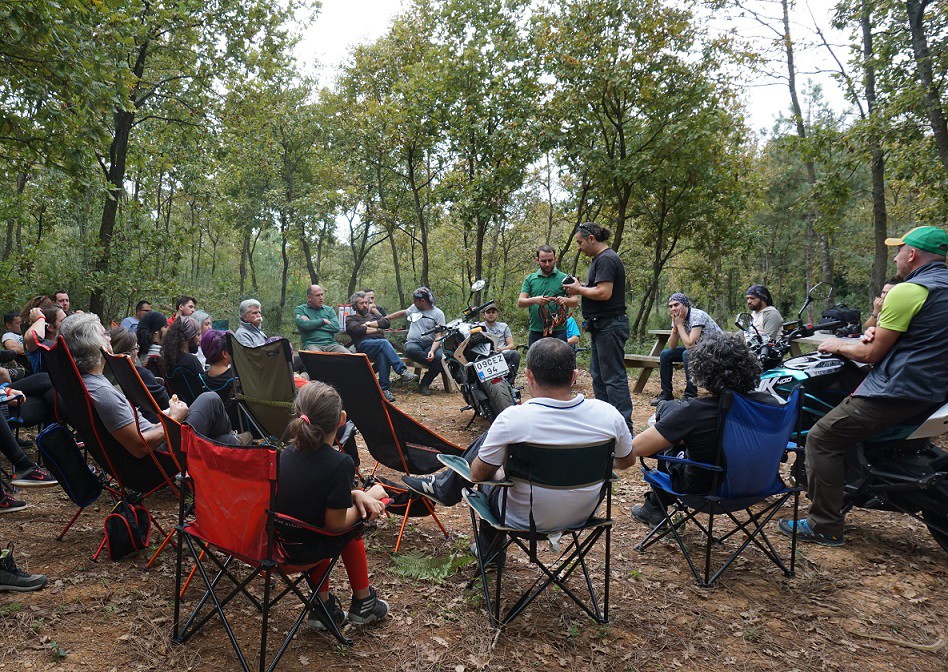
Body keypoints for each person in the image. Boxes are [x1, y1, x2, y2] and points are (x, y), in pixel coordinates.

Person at [779, 225, 948, 547]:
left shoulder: (909, 290)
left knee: (822, 438)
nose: (896, 257)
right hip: (934, 391)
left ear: (912, 255)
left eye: (899, 250)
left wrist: (837, 345)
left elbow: (870, 353)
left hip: (897, 390)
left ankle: (823, 525)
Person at [401, 339, 634, 542]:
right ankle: (442, 487)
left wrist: (503, 469)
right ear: (574, 377)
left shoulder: (513, 418)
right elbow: (625, 461)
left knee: (488, 468)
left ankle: (488, 551)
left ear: (529, 376)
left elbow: (477, 475)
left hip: (521, 519)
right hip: (583, 516)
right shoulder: (609, 414)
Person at [274, 382, 390, 628]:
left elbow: (316, 494)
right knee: (351, 529)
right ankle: (364, 600)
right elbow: (335, 525)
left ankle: (322, 606)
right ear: (342, 420)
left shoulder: (286, 454)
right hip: (304, 551)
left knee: (318, 521)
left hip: (277, 543)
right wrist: (372, 499)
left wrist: (357, 494)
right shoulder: (340, 463)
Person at [629, 332, 776, 526]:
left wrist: (681, 436)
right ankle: (670, 416)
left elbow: (636, 448)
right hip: (758, 485)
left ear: (702, 370)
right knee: (672, 409)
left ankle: (655, 507)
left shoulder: (696, 411)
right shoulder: (769, 405)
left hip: (706, 490)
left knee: (669, 414)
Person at [59, 313, 249, 461]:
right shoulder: (102, 393)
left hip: (155, 438)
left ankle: (230, 442)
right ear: (93, 343)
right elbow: (140, 447)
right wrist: (175, 417)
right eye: (104, 334)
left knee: (220, 437)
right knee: (211, 399)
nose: (109, 338)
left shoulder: (84, 383)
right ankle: (234, 442)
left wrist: (166, 418)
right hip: (162, 453)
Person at [564, 222, 634, 432]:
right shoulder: (600, 260)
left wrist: (578, 289)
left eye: (580, 242)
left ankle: (624, 430)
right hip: (600, 327)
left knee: (613, 378)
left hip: (610, 326)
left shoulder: (607, 259)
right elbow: (597, 289)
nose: (579, 246)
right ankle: (606, 423)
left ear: (591, 238)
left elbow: (604, 293)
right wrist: (581, 287)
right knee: (599, 376)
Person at [344, 291, 417, 403]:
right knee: (383, 343)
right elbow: (356, 330)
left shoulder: (373, 315)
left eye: (366, 302)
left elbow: (386, 323)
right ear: (354, 306)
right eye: (361, 303)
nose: (364, 305)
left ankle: (384, 389)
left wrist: (368, 324)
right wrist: (377, 329)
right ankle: (402, 371)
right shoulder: (351, 318)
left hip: (378, 345)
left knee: (383, 354)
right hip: (364, 345)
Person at [653, 292, 722, 405]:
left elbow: (690, 345)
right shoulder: (677, 317)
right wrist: (675, 328)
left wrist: (680, 325)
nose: (673, 308)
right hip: (698, 348)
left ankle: (691, 395)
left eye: (676, 305)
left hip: (715, 350)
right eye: (671, 306)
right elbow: (672, 346)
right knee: (665, 354)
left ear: (685, 305)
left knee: (687, 353)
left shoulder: (697, 315)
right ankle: (666, 394)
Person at [108, 326, 169, 423]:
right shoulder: (140, 375)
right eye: (136, 348)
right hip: (156, 425)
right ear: (128, 353)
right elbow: (164, 401)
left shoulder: (105, 379)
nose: (137, 351)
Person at [518, 245, 575, 346]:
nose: (547, 264)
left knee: (560, 361)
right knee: (535, 361)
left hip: (558, 331)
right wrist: (535, 300)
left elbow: (575, 301)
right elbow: (521, 302)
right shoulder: (530, 279)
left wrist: (564, 300)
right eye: (544, 261)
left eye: (550, 260)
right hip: (536, 330)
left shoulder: (564, 278)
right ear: (537, 260)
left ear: (555, 259)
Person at [401, 287, 446, 396]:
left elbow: (438, 336)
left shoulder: (438, 314)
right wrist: (386, 318)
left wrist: (432, 350)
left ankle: (424, 384)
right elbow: (402, 313)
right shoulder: (413, 308)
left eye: (415, 300)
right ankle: (433, 365)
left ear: (423, 301)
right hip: (413, 343)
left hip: (430, 344)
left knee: (440, 358)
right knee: (411, 350)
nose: (413, 303)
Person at [21, 296, 67, 374]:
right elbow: (32, 336)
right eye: (63, 321)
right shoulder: (37, 349)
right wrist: (40, 318)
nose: (68, 323)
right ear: (50, 327)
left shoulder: (67, 340)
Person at [296, 285, 348, 353]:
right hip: (312, 344)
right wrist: (323, 321)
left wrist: (312, 324)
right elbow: (305, 325)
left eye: (322, 295)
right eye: (317, 295)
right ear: (309, 297)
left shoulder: (329, 310)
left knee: (350, 357)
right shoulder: (300, 309)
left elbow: (336, 327)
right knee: (317, 357)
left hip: (331, 344)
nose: (321, 298)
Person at [480, 305, 520, 386]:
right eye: (488, 312)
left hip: (501, 353)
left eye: (493, 312)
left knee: (515, 354)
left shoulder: (503, 326)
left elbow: (511, 345)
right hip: (485, 356)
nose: (491, 314)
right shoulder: (478, 327)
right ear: (484, 315)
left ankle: (510, 382)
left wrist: (502, 349)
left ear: (497, 314)